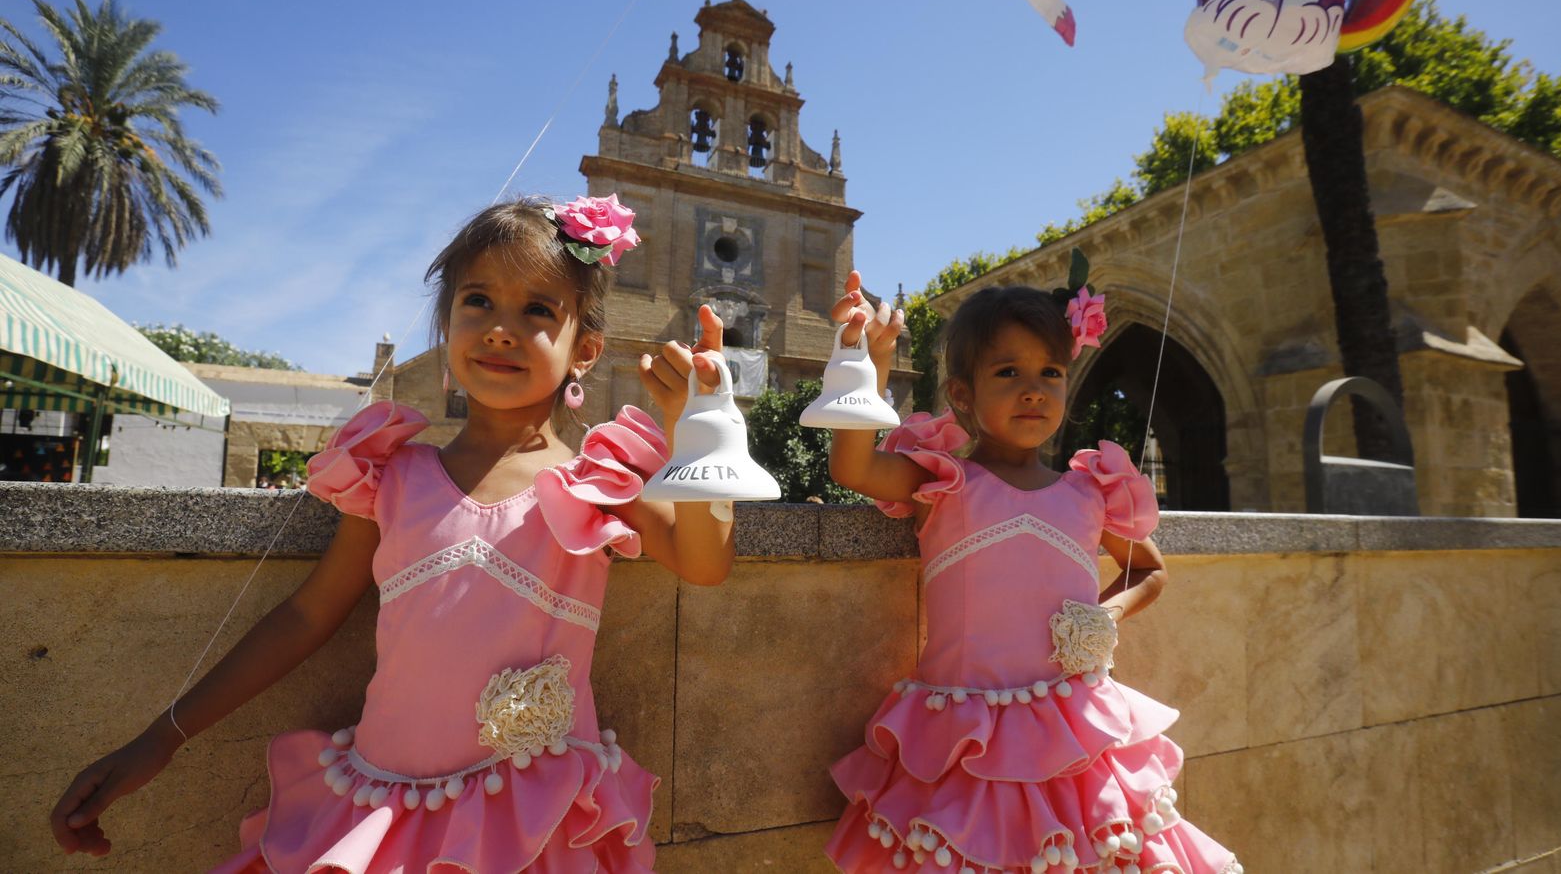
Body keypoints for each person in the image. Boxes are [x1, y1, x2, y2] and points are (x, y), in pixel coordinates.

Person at [50, 195, 736, 872]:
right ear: (446, 327)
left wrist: (704, 426)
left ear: (583, 350)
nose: (501, 328)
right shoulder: (388, 474)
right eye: (478, 302)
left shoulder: (603, 476)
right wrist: (161, 739)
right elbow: (307, 615)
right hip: (378, 813)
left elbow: (705, 564)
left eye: (536, 310)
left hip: (532, 826)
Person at [822, 271, 1240, 873]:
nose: (1033, 391)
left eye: (1050, 372)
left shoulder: (1092, 491)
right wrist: (871, 359)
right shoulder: (944, 481)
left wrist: (1101, 616)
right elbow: (853, 467)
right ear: (961, 394)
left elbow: (1147, 570)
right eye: (1007, 372)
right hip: (964, 740)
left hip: (1076, 735)